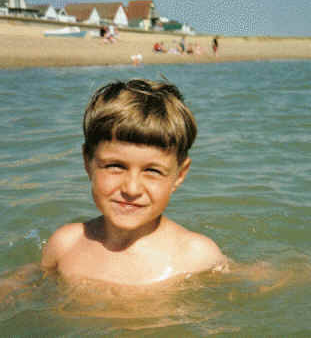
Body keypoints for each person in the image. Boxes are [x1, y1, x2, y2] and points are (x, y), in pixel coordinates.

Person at [41, 79, 228, 286]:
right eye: (115, 166)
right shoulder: (65, 245)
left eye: (152, 171)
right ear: (88, 162)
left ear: (180, 174)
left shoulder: (197, 256)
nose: (131, 189)